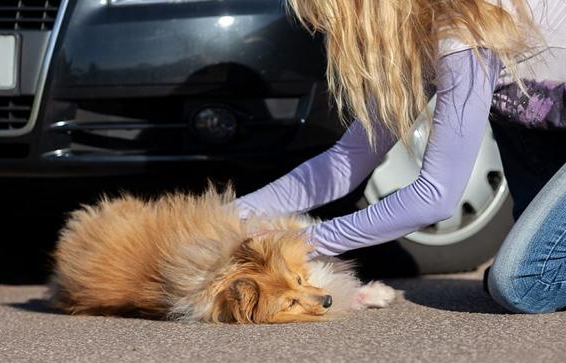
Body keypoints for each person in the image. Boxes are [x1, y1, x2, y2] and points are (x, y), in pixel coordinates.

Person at [234, 0, 566, 313]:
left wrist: (304, 242)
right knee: (529, 266)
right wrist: (231, 216)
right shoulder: (426, 30)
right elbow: (345, 162)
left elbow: (435, 197)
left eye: (333, 24)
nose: (334, 38)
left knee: (524, 283)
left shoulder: (462, 29)